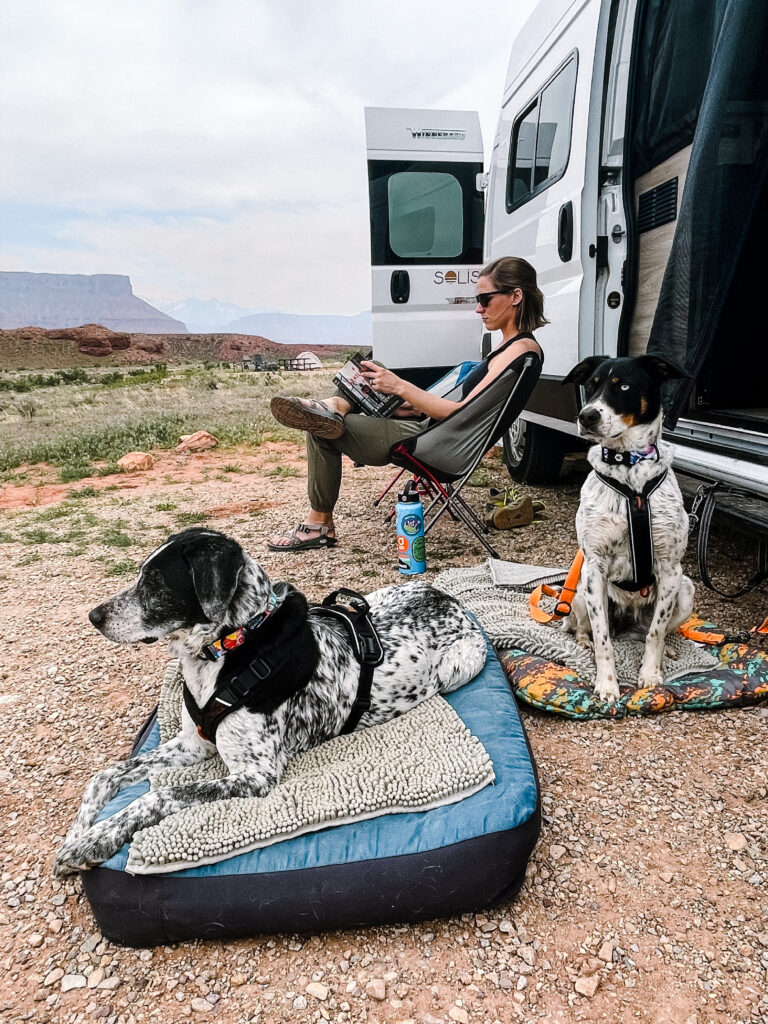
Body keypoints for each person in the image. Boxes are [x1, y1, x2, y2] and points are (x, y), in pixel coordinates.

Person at [267, 256, 547, 551]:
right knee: (371, 370)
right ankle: (336, 405)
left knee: (321, 428)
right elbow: (466, 410)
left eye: (485, 299)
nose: (478, 308)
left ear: (515, 296)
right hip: (433, 430)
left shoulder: (520, 352)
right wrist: (407, 405)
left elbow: (460, 412)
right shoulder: (510, 349)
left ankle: (319, 523)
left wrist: (400, 386)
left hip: (436, 446)